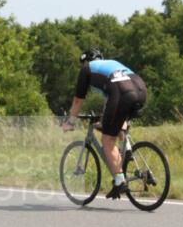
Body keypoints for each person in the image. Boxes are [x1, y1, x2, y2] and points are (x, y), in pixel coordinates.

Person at [61, 49, 147, 199]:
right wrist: (104, 120)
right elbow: (111, 102)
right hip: (140, 89)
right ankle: (126, 149)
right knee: (116, 124)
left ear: (85, 62)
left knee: (107, 140)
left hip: (123, 93)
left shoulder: (87, 69)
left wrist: (71, 121)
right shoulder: (111, 64)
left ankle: (120, 181)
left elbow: (78, 100)